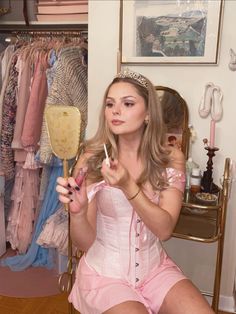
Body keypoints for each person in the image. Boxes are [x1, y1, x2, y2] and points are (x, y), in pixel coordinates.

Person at [56, 69, 214, 314]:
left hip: (154, 270)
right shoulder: (92, 158)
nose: (115, 111)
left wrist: (128, 185)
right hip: (105, 275)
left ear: (149, 113)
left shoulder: (170, 158)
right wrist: (78, 212)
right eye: (110, 104)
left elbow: (164, 230)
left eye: (127, 103)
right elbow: (85, 242)